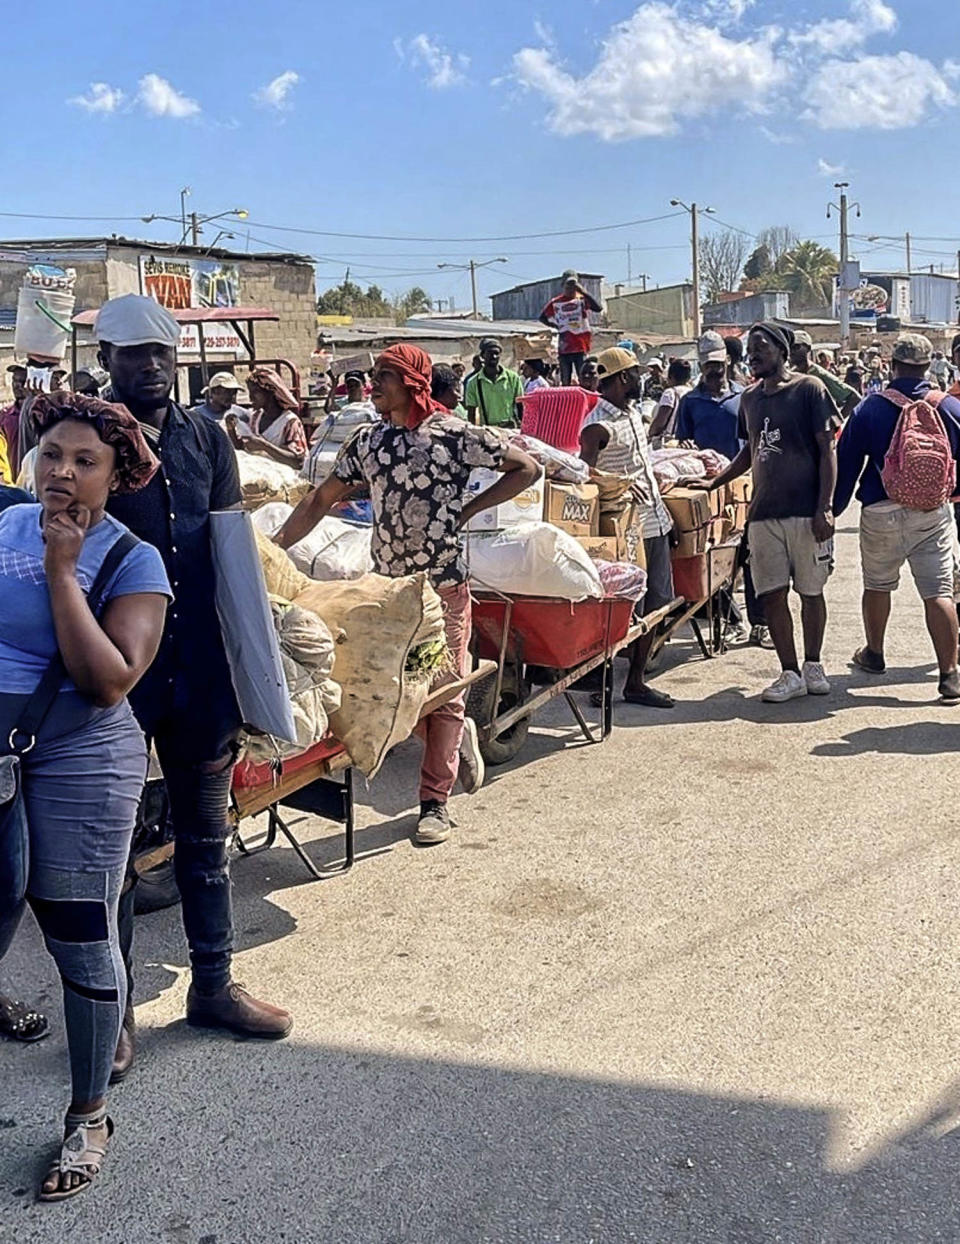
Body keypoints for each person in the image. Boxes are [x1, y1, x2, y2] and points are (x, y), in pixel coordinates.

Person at [95, 294, 293, 1079]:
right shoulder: (85, 436)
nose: (149, 367)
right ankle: (109, 1015)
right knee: (110, 854)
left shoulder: (206, 436)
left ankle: (212, 985)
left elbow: (232, 556)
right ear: (107, 360)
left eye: (160, 355)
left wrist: (253, 671)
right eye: (133, 355)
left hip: (199, 673)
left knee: (207, 845)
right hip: (113, 673)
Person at [0, 392, 170, 1198]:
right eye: (52, 454)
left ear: (115, 478)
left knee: (77, 932)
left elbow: (106, 682)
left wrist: (65, 571)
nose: (62, 472)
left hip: (80, 757)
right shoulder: (0, 528)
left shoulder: (133, 559)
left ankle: (89, 1114)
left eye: (84, 461)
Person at [275, 344, 540, 843]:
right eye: (373, 376)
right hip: (387, 595)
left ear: (413, 382)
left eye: (384, 376)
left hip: (442, 590)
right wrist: (272, 547)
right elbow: (322, 497)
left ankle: (434, 803)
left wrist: (467, 512)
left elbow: (526, 468)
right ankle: (454, 734)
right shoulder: (369, 442)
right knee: (392, 689)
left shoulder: (455, 435)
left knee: (441, 687)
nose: (374, 384)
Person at [703, 323, 841, 703]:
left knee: (811, 592)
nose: (753, 354)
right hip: (763, 515)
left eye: (761, 347)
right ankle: (790, 672)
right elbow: (749, 453)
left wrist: (825, 507)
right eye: (750, 348)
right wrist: (715, 482)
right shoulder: (749, 400)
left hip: (806, 512)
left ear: (782, 350)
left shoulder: (809, 389)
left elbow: (828, 451)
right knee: (772, 595)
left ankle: (813, 664)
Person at [835, 334, 960, 701]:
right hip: (931, 512)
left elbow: (846, 464)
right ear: (928, 366)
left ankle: (874, 653)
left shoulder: (868, 408)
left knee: (877, 584)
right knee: (938, 592)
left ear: (892, 365)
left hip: (879, 509)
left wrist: (835, 508)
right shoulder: (948, 407)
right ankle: (949, 674)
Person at [580, 347, 676, 709]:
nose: (641, 379)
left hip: (654, 520)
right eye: (635, 373)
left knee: (658, 602)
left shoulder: (633, 413)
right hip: (625, 528)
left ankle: (635, 681)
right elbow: (581, 473)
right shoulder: (597, 426)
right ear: (622, 379)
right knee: (625, 609)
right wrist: (614, 479)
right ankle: (608, 680)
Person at [671, 333, 743, 459]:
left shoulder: (743, 397)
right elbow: (683, 441)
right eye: (708, 366)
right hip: (707, 474)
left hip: (740, 474)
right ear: (700, 367)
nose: (713, 370)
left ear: (728, 360)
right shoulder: (689, 402)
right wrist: (684, 445)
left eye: (717, 364)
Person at [228, 366, 308, 469]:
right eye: (250, 392)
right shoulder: (255, 418)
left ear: (270, 392)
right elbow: (244, 448)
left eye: (255, 392)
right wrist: (231, 430)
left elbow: (298, 462)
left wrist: (264, 446)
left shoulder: (290, 422)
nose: (251, 397)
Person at [539, 271, 602, 385]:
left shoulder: (581, 299)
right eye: (569, 284)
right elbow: (542, 317)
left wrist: (584, 292)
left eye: (574, 285)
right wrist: (555, 325)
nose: (571, 288)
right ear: (563, 285)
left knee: (584, 378)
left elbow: (598, 308)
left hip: (581, 346)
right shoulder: (556, 302)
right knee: (565, 380)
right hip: (565, 347)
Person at [790, 331, 860, 419]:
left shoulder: (818, 374)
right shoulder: (790, 374)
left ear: (808, 348)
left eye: (796, 347)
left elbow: (854, 397)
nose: (791, 351)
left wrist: (836, 423)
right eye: (790, 347)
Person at [464, 338, 523, 428]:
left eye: (496, 353)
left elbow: (520, 405)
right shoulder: (474, 382)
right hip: (488, 430)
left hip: (511, 428)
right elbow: (471, 412)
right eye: (490, 353)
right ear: (482, 355)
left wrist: (522, 426)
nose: (494, 357)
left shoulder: (513, 378)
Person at [648, 359, 693, 444]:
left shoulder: (670, 393)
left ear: (671, 376)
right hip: (688, 442)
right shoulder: (692, 393)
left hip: (671, 443)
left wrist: (650, 433)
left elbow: (660, 423)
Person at [1, 363, 27, 479]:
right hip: (9, 479)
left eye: (22, 382)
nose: (17, 386)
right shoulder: (4, 416)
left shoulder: (39, 415)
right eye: (14, 381)